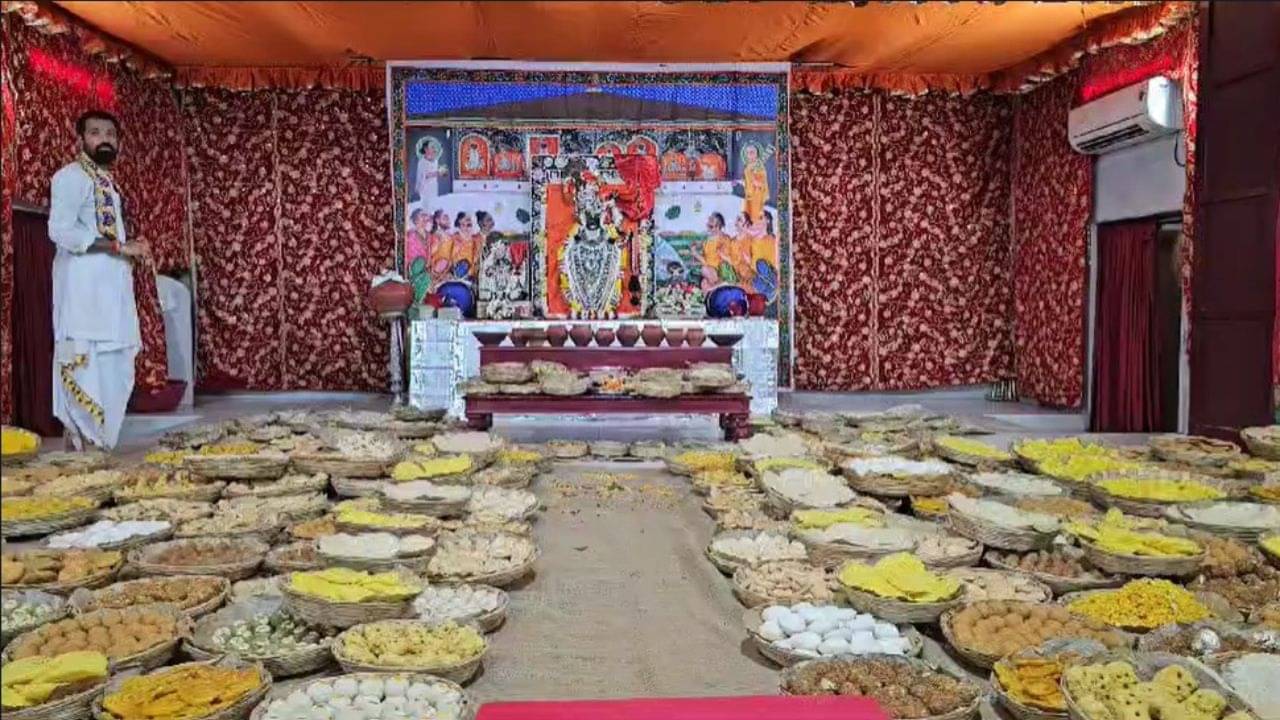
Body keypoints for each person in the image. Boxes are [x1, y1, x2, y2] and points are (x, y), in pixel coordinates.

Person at [47, 110, 151, 450]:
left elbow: (105, 235)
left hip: (111, 297)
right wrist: (119, 246)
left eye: (110, 134)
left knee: (113, 371)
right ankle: (81, 456)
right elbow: (60, 231)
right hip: (83, 298)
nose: (104, 139)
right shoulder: (70, 177)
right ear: (80, 140)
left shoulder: (106, 182)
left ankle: (96, 454)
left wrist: (129, 247)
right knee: (83, 370)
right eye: (95, 132)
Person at [701, 212, 753, 290]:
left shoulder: (751, 241)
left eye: (739, 220)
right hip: (727, 271)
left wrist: (725, 257)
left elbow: (744, 263)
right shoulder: (733, 241)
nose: (736, 222)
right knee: (704, 282)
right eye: (736, 219)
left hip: (742, 276)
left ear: (747, 224)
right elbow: (726, 260)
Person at [739, 143, 770, 223]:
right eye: (748, 153)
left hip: (757, 193)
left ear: (757, 154)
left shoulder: (759, 166)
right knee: (747, 213)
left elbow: (762, 181)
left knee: (755, 215)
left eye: (752, 152)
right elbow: (747, 180)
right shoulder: (747, 166)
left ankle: (756, 225)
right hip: (749, 194)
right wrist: (742, 182)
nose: (750, 155)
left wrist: (756, 182)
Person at [414, 139, 446, 208]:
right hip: (425, 188)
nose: (433, 149)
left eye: (433, 147)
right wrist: (437, 173)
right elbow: (424, 175)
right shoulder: (422, 162)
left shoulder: (435, 161)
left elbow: (437, 172)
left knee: (434, 205)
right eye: (431, 147)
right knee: (426, 206)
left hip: (433, 187)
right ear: (426, 149)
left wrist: (442, 172)